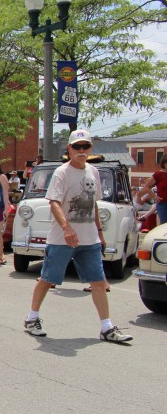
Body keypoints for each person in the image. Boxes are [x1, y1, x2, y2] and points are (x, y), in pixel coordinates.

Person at [23, 129, 132, 343]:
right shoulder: (62, 173)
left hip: (89, 238)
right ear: (69, 149)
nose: (81, 150)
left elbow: (93, 204)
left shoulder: (93, 172)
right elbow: (53, 202)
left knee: (98, 282)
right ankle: (31, 318)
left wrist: (100, 233)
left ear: (91, 148)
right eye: (77, 147)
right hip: (62, 239)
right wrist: (67, 228)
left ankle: (106, 327)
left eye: (85, 146)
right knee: (47, 279)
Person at [138, 154, 167, 225]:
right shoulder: (158, 174)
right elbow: (146, 186)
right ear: (164, 163)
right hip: (163, 204)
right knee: (164, 226)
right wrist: (154, 196)